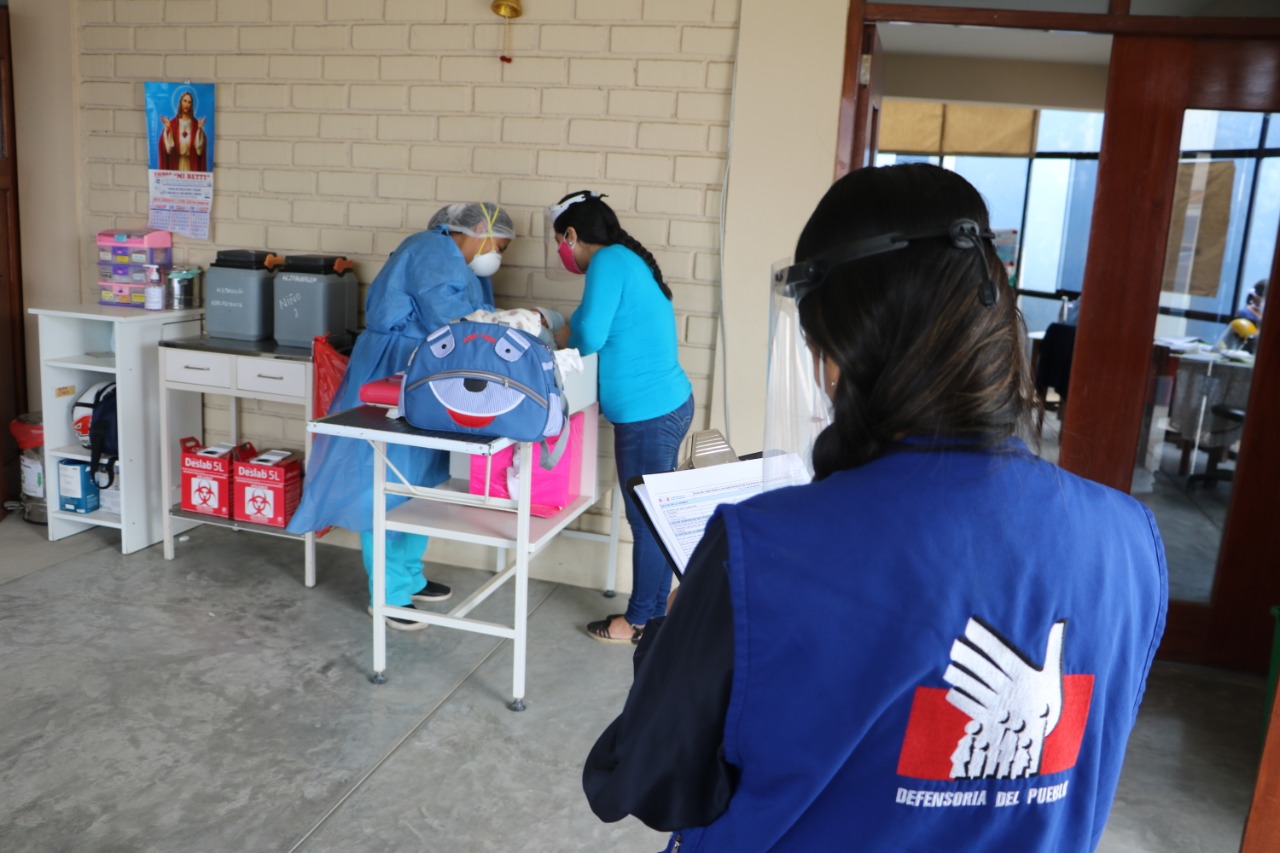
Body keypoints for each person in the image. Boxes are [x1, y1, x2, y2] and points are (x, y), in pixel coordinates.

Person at [582, 164, 1168, 852]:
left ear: (840, 351)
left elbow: (644, 781)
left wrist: (675, 631)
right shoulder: (1130, 539)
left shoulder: (762, 550)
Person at [286, 202, 515, 630]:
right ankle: (388, 594)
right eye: (497, 246)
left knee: (423, 481)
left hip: (425, 374)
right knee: (387, 482)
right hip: (392, 370)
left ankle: (410, 575)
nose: (497, 256)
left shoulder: (460, 263)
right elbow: (448, 317)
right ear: (477, 230)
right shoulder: (433, 249)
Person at [548, 190, 694, 644]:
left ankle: (640, 622)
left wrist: (561, 336)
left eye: (560, 241)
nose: (561, 252)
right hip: (658, 407)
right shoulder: (625, 261)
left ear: (571, 234)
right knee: (648, 516)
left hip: (649, 415)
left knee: (645, 519)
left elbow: (588, 334)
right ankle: (649, 615)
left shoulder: (610, 261)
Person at [158, 89, 207, 172]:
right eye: (184, 101)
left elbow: (199, 151)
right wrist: (168, 130)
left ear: (191, 105)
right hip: (176, 165)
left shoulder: (195, 124)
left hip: (191, 166)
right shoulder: (172, 124)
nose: (187, 104)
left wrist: (199, 130)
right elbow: (167, 149)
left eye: (189, 102)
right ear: (180, 102)